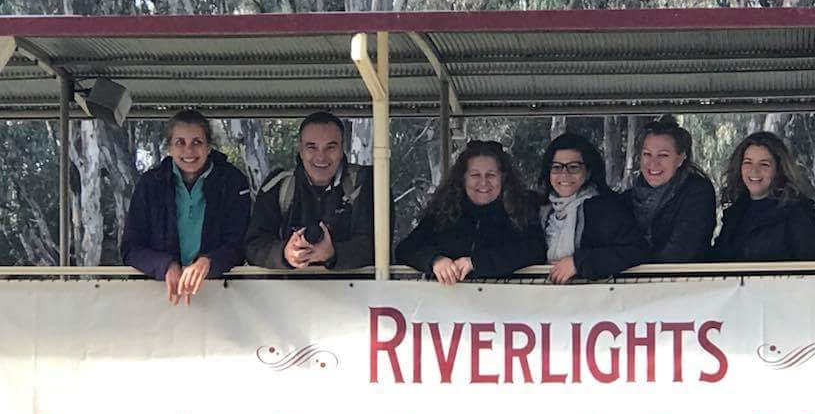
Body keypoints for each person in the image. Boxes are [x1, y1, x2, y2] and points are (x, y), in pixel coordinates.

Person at [121, 109, 251, 305]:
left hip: (220, 295)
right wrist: (165, 265)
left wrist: (207, 262)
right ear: (169, 148)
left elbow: (240, 245)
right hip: (158, 295)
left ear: (209, 147)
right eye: (180, 143)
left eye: (196, 142)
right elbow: (131, 248)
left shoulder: (233, 181)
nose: (189, 151)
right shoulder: (150, 184)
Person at [395, 140, 546, 284]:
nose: (483, 182)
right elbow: (406, 249)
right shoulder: (444, 211)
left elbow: (535, 250)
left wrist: (477, 262)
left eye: (491, 175)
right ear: (463, 178)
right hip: (449, 305)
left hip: (509, 304)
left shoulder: (522, 208)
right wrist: (435, 260)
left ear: (503, 178)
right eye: (475, 175)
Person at [245, 111, 374, 270]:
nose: (321, 157)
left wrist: (334, 254)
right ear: (300, 148)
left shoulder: (366, 184)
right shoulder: (277, 186)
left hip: (358, 290)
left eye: (330, 147)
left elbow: (377, 247)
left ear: (343, 148)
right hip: (286, 291)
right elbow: (253, 246)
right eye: (311, 147)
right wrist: (285, 253)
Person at [538, 132, 647, 283]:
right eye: (556, 167)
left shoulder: (607, 209)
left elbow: (636, 251)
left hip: (595, 298)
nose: (564, 174)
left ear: (588, 171)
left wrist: (579, 263)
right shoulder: (542, 211)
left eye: (573, 167)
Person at [712, 131, 815, 261]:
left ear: (779, 170)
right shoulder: (735, 214)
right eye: (748, 162)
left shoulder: (796, 213)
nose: (754, 170)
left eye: (764, 164)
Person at [622, 120, 716, 261]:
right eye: (647, 154)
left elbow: (681, 251)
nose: (653, 163)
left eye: (663, 155)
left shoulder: (697, 193)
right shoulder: (627, 198)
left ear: (681, 158)